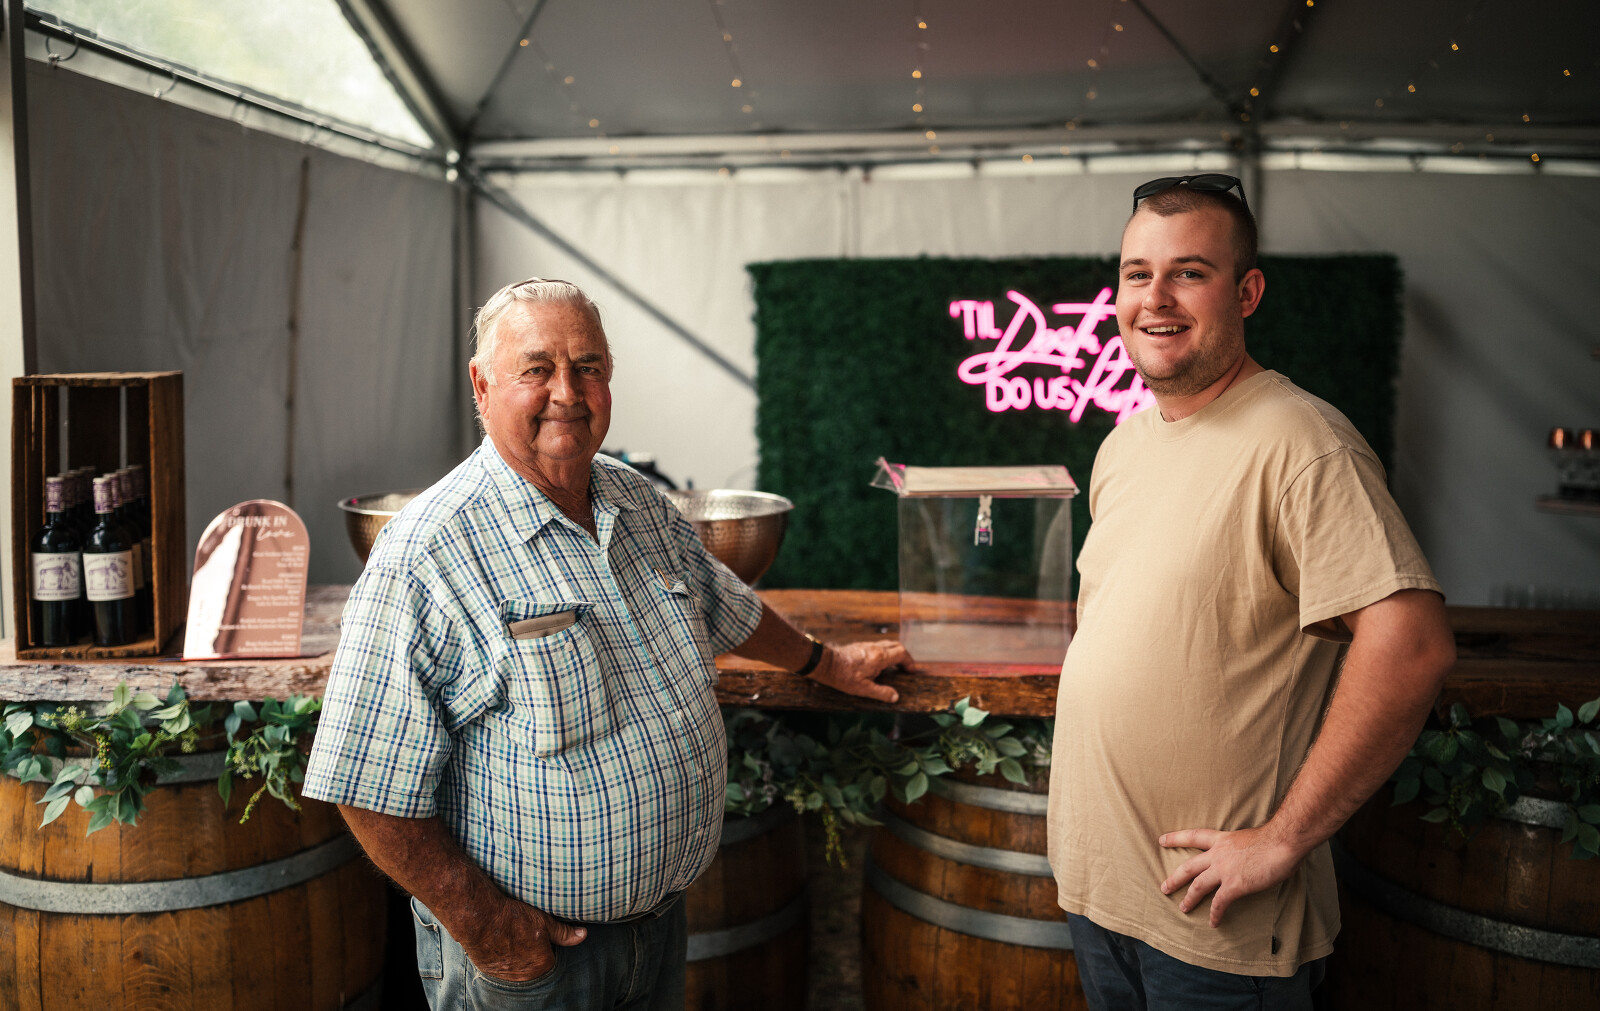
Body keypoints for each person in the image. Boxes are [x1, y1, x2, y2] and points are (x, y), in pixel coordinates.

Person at [304, 278, 912, 1011]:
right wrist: (492, 930)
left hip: (657, 931)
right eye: (537, 369)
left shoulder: (633, 497)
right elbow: (364, 785)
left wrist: (825, 661)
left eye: (588, 366)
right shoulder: (427, 553)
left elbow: (725, 601)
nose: (567, 391)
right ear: (482, 385)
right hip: (535, 962)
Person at [1046, 175, 1457, 1010]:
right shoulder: (1123, 448)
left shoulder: (1305, 443)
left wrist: (1282, 838)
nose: (1155, 298)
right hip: (1102, 895)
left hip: (1219, 927)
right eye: (1136, 273)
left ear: (1247, 292)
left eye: (1189, 272)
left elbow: (1412, 645)